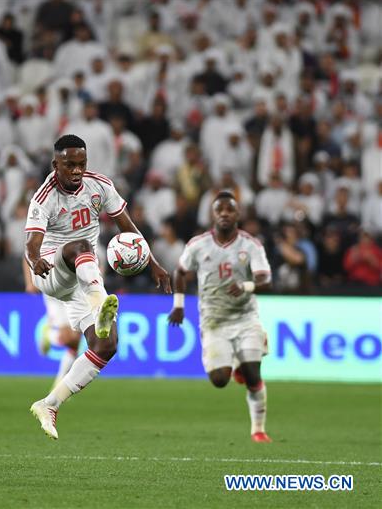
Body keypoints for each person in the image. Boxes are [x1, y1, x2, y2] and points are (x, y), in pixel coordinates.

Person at [27, 134, 171, 440]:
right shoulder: (43, 197)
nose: (77, 170)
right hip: (52, 270)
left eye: (81, 164)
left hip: (83, 276)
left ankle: (49, 403)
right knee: (80, 245)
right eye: (69, 165)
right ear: (56, 164)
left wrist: (153, 263)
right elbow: (31, 244)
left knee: (106, 345)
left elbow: (128, 228)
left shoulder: (100, 185)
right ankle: (97, 304)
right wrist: (35, 260)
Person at [169, 191, 273, 443]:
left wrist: (247, 286)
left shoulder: (251, 245)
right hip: (214, 320)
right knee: (219, 380)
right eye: (220, 210)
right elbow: (180, 272)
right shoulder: (198, 245)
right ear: (212, 214)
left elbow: (265, 280)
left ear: (238, 214)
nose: (225, 214)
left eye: (230, 209)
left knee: (252, 374)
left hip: (245, 317)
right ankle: (234, 365)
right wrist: (179, 305)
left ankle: (258, 430)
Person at [23, 260, 82, 390]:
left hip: (76, 286)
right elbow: (27, 255)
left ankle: (59, 384)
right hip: (53, 287)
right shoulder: (44, 239)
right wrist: (29, 282)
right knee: (68, 339)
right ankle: (50, 335)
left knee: (75, 341)